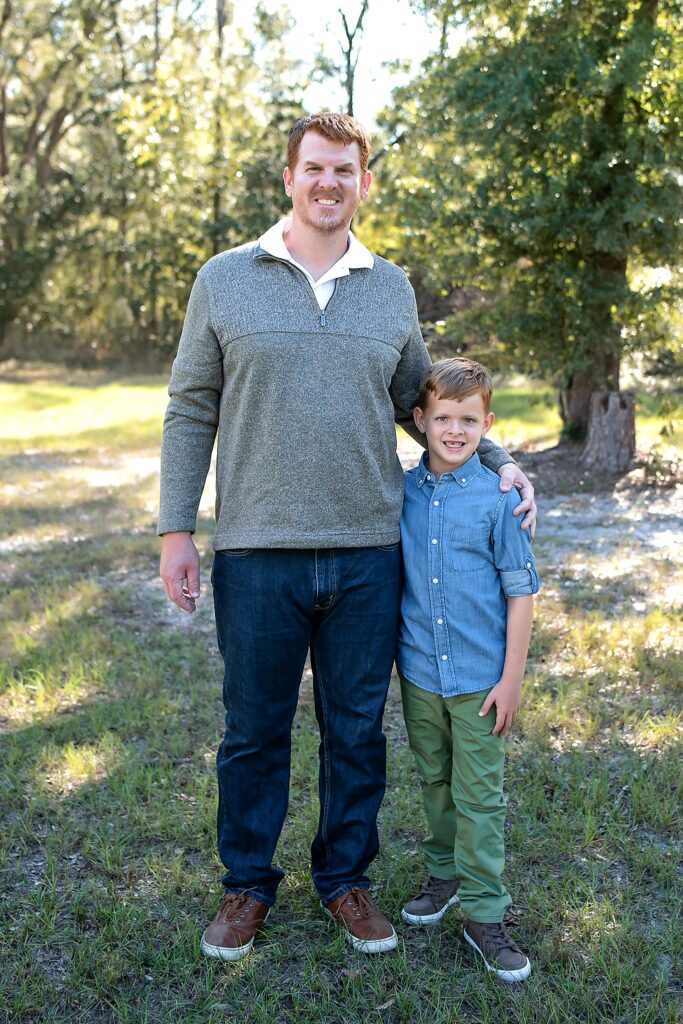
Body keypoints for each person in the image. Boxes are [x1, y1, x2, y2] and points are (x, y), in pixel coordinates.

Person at [157, 112, 537, 963]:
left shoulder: (389, 287)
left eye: (346, 171)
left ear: (365, 184)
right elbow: (190, 406)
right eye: (315, 168)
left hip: (370, 550)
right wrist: (176, 529)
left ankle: (345, 880)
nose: (329, 183)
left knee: (356, 729)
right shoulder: (224, 279)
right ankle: (246, 886)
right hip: (257, 548)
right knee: (253, 730)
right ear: (288, 177)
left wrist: (503, 463)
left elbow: (424, 400)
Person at [397, 357, 538, 983]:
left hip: (483, 680)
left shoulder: (497, 498)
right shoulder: (400, 491)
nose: (456, 431)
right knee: (434, 780)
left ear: (488, 423)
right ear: (421, 420)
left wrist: (511, 679)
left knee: (480, 797)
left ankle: (485, 912)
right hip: (421, 674)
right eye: (444, 418)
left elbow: (521, 592)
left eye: (469, 420)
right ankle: (445, 873)